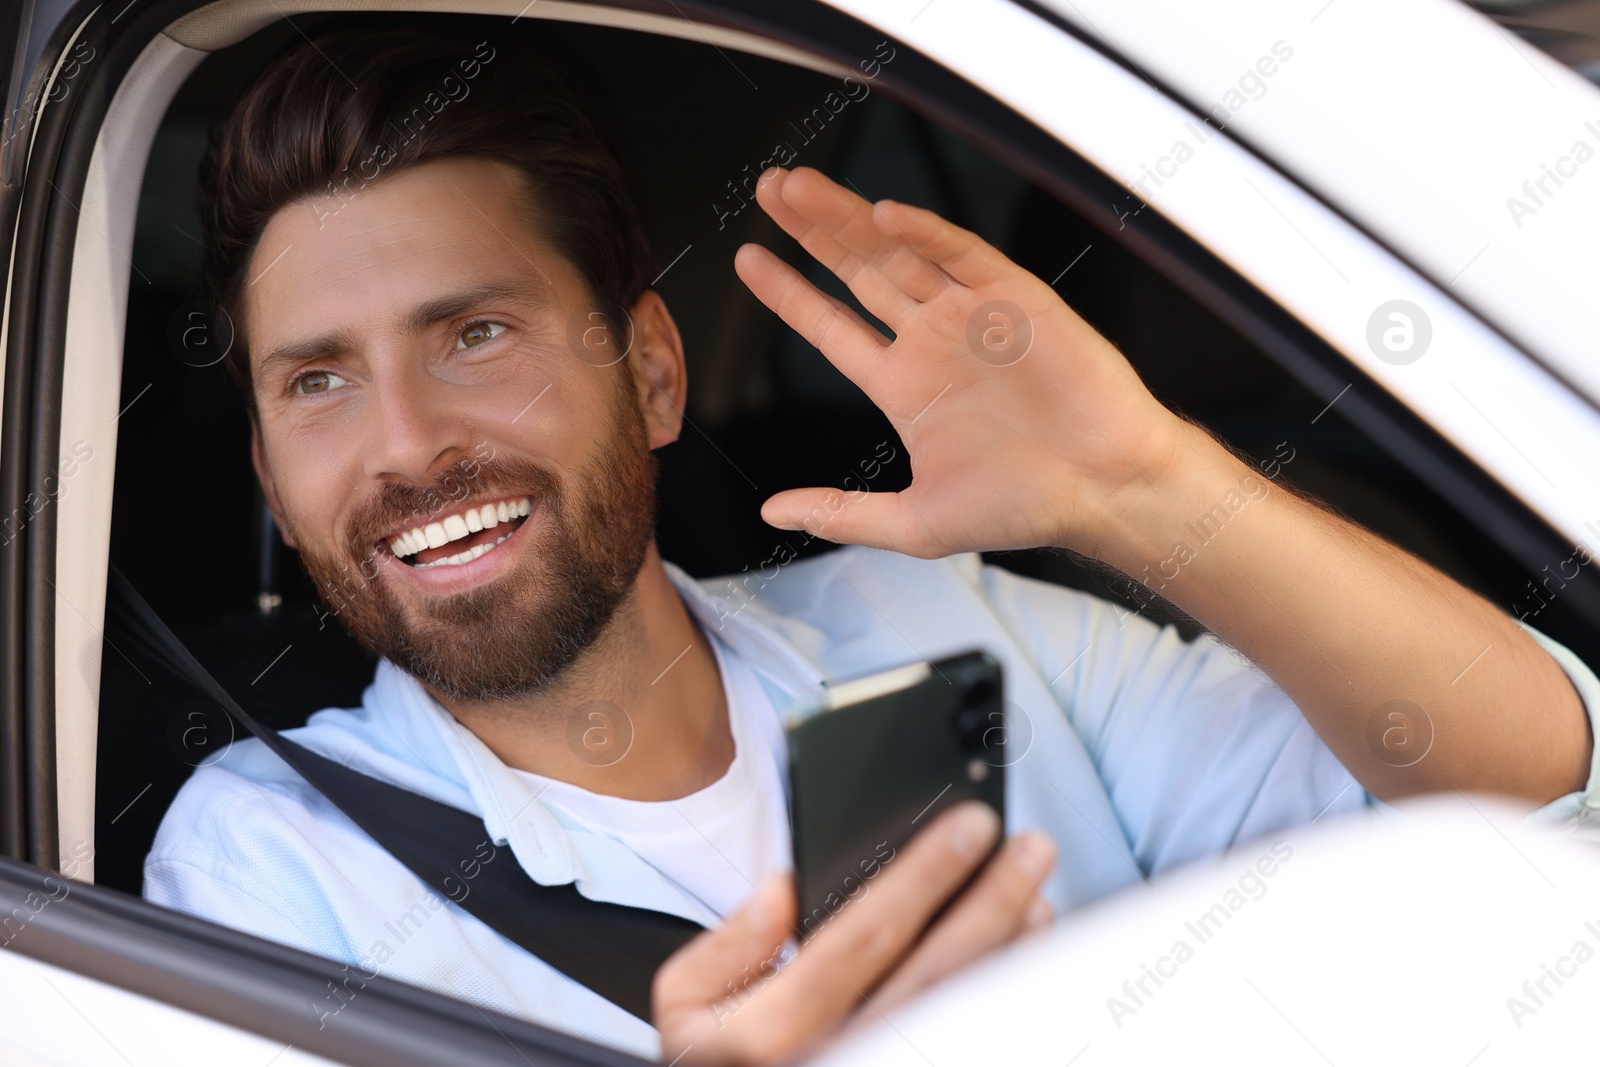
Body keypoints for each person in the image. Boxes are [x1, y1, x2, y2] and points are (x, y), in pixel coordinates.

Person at [144, 26, 1600, 1065]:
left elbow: (1522, 777)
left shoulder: (947, 623)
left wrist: (1144, 484)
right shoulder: (273, 866)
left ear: (653, 372)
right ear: (271, 472)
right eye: (317, 379)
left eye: (475, 333)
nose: (400, 441)